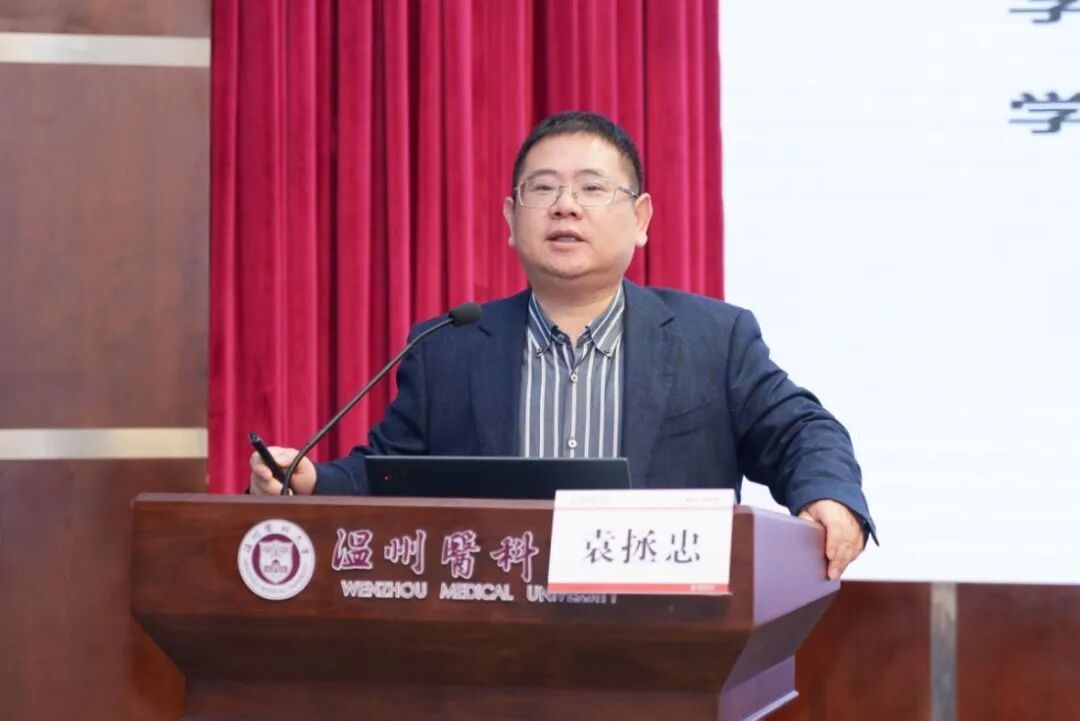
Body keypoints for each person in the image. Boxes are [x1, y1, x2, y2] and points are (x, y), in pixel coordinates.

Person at [249, 111, 875, 580]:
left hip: (670, 645)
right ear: (510, 219)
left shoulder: (714, 339)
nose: (565, 207)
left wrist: (829, 495)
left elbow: (802, 431)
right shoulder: (449, 348)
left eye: (593, 189)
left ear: (641, 219)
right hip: (497, 647)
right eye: (543, 189)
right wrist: (309, 481)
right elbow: (389, 477)